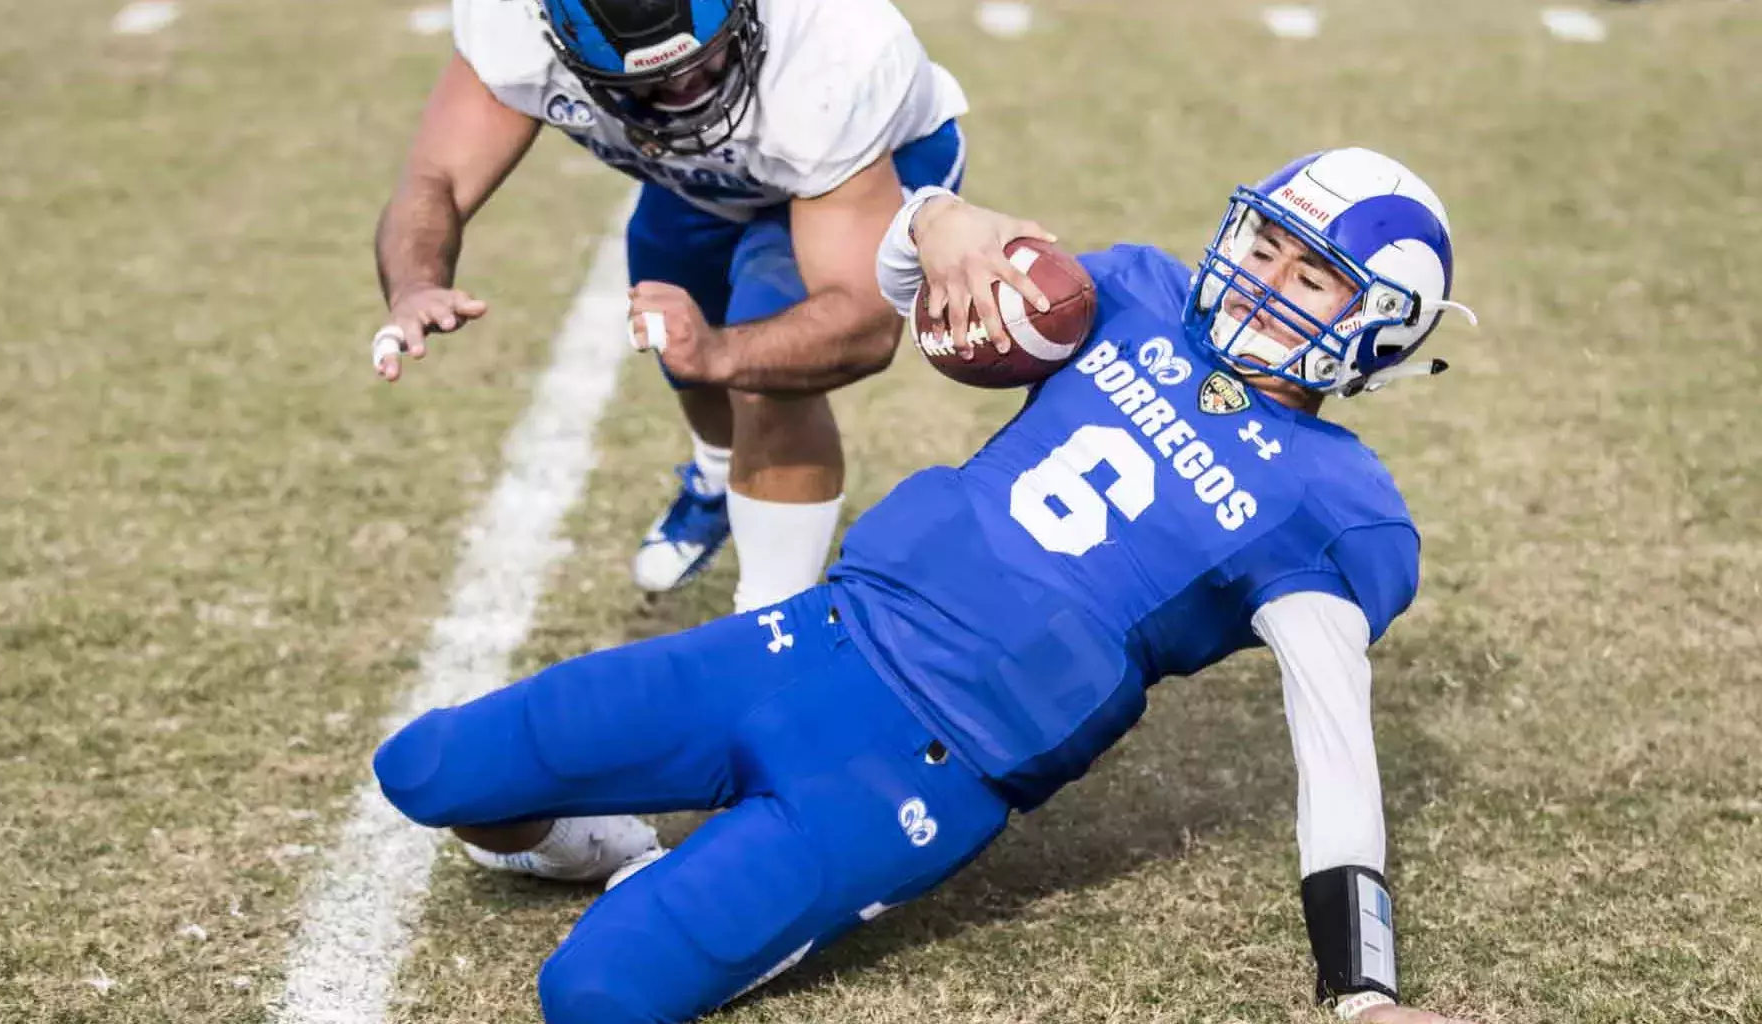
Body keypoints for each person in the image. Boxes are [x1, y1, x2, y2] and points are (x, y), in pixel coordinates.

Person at [372, 147, 1480, 1024]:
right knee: (424, 767)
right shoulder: (1137, 291)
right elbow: (904, 280)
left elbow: (1334, 739)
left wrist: (1363, 989)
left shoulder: (1335, 506)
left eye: (1314, 273)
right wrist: (939, 221)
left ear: (1381, 329)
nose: (1268, 281)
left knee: (593, 995)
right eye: (1271, 244)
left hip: (922, 766)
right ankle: (602, 844)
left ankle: (719, 892)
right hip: (816, 636)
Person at [369, 0, 979, 616]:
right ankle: (716, 476)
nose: (687, 90)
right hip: (701, 180)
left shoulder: (835, 48)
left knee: (766, 374)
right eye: (652, 84)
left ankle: (771, 625)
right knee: (674, 333)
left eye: (706, 60)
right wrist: (415, 285)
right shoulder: (513, 25)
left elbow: (860, 327)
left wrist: (720, 352)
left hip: (865, 158)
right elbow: (437, 176)